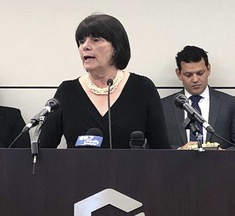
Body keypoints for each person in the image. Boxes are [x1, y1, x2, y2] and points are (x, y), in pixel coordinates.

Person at [38, 14, 170, 149]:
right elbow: (43, 151)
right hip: (77, 170)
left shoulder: (142, 88)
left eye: (95, 40)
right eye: (81, 42)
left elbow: (161, 150)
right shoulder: (67, 91)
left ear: (116, 48)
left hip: (131, 170)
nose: (85, 46)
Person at [162, 45, 235, 149]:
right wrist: (178, 151)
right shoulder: (163, 107)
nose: (195, 79)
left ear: (208, 69)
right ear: (179, 74)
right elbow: (153, 145)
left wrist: (222, 154)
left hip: (219, 164)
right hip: (177, 164)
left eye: (200, 73)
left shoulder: (230, 104)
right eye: (188, 75)